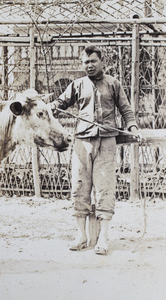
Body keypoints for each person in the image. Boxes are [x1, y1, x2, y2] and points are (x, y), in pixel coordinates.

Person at [49, 45, 139, 255]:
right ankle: (81, 236)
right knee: (79, 187)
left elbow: (126, 109)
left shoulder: (113, 84)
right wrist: (48, 107)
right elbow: (60, 102)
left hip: (107, 142)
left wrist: (132, 126)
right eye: (85, 62)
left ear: (101, 62)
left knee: (105, 189)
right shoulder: (77, 85)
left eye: (93, 61)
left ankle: (103, 238)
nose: (89, 66)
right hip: (82, 142)